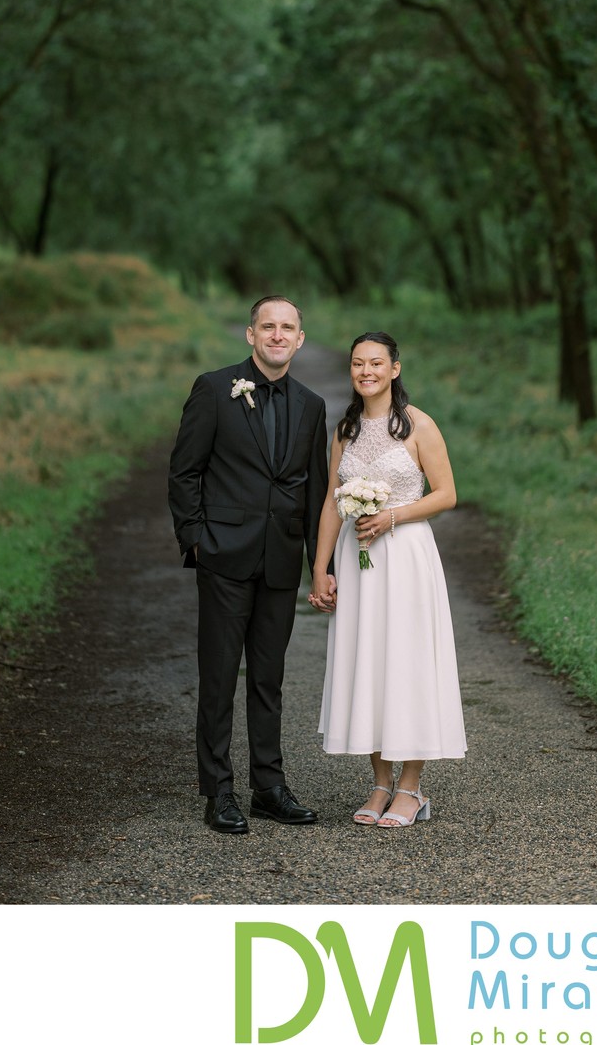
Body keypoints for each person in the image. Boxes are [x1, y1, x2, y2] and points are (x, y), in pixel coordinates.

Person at [168, 295, 328, 834]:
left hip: (280, 560)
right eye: (268, 327)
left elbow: (315, 492)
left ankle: (269, 787)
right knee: (218, 677)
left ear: (300, 339)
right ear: (251, 334)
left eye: (288, 328)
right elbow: (184, 471)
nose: (278, 335)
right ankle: (218, 791)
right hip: (223, 555)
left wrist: (319, 564)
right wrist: (195, 540)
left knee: (268, 678)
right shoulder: (215, 389)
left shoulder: (310, 404)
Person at [308, 331, 466, 827]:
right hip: (359, 566)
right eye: (358, 364)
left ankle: (412, 789)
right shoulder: (346, 430)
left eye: (377, 363)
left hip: (407, 557)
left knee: (407, 662)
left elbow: (446, 494)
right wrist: (321, 567)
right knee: (370, 662)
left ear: (395, 369)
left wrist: (393, 517)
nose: (366, 371)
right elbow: (334, 503)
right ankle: (379, 784)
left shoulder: (419, 425)